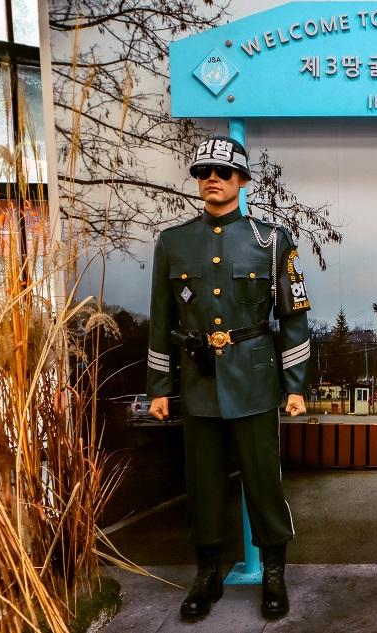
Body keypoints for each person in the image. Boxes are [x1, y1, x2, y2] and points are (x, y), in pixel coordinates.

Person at [146, 136, 311, 621]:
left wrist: (295, 385)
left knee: (263, 481)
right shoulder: (173, 242)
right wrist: (160, 389)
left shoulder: (272, 239)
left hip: (256, 379)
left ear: (241, 179)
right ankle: (207, 574)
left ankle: (274, 573)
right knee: (203, 483)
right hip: (198, 383)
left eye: (221, 170)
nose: (211, 178)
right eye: (203, 172)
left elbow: (294, 318)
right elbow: (161, 318)